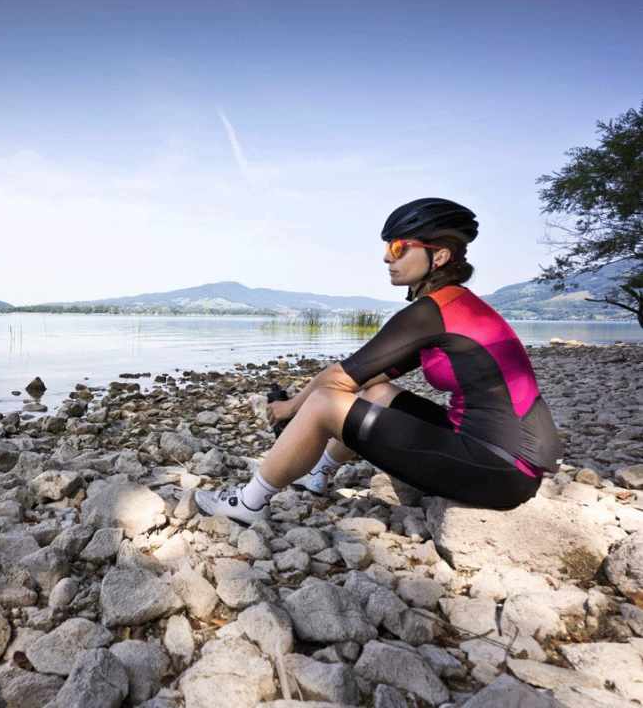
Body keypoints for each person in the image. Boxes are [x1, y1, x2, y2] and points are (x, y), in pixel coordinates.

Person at [195, 198, 563, 525]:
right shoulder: (455, 306)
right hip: (498, 454)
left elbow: (337, 381)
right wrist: (296, 409)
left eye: (400, 246)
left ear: (440, 256)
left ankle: (248, 503)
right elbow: (360, 378)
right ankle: (318, 474)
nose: (388, 256)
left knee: (325, 404)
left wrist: (290, 408)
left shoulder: (432, 312)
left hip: (500, 469)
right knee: (379, 391)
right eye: (389, 246)